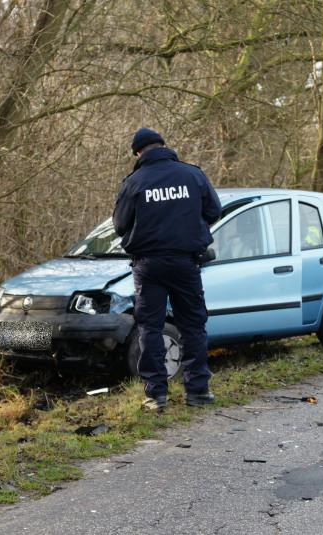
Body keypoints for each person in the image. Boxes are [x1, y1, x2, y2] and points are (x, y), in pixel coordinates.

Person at [113, 128, 221, 411]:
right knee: (193, 325)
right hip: (186, 262)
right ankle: (197, 391)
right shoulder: (193, 175)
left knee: (150, 327)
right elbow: (214, 211)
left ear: (137, 153)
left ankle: (156, 395)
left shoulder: (134, 182)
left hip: (148, 265)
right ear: (163, 145)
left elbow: (119, 225)